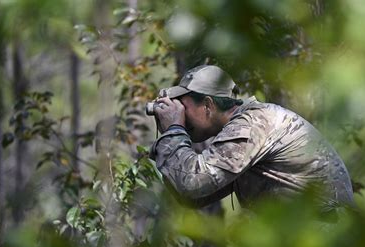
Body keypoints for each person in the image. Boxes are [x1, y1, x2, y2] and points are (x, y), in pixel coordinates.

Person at [150, 65, 354, 210]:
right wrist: (170, 136)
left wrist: (174, 130)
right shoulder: (246, 123)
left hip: (324, 235)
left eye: (184, 107)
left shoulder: (253, 124)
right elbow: (192, 198)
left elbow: (193, 183)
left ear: (208, 105)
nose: (181, 114)